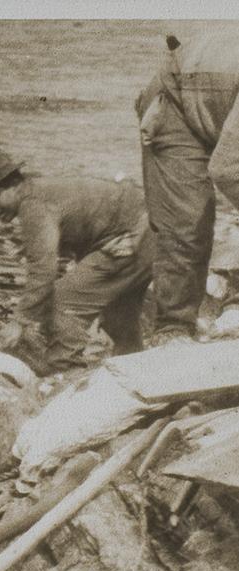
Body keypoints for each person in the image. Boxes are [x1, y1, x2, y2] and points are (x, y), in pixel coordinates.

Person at [0, 142, 156, 374]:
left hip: (130, 237)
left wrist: (20, 321)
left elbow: (43, 269)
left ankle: (67, 371)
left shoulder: (33, 206)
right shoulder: (41, 190)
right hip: (149, 230)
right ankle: (135, 368)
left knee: (61, 301)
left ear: (11, 185)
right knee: (117, 312)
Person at [137, 32, 239, 343]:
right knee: (188, 221)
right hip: (176, 99)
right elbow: (228, 169)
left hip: (215, 90)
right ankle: (172, 330)